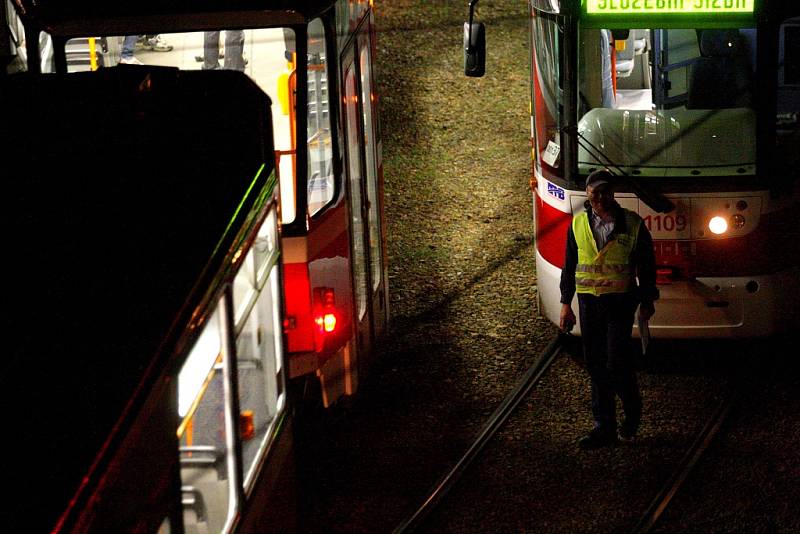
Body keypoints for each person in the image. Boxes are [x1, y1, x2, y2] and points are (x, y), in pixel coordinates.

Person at [559, 169, 658, 450]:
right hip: (590, 303)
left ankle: (632, 412)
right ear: (588, 196)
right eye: (594, 193)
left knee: (616, 363)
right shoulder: (578, 224)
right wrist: (566, 304)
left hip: (620, 302)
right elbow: (570, 266)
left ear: (612, 193)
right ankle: (604, 426)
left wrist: (647, 300)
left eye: (604, 192)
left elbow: (646, 266)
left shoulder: (633, 224)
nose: (600, 198)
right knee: (596, 365)